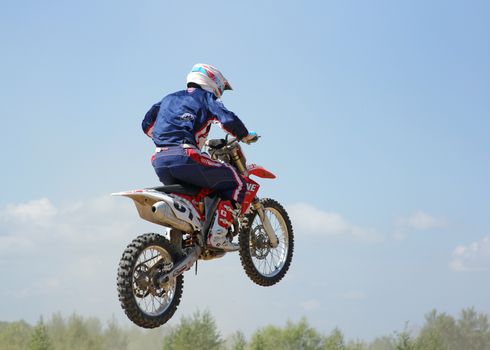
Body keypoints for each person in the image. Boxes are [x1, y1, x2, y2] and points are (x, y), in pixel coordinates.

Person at [141, 63, 256, 251]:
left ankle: (179, 236)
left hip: (160, 159)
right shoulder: (206, 97)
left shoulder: (168, 98)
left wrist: (167, 138)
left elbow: (146, 124)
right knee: (238, 182)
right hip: (185, 156)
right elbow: (226, 118)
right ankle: (217, 235)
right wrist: (244, 135)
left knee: (195, 193)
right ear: (213, 81)